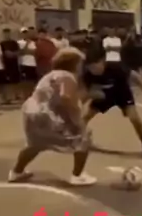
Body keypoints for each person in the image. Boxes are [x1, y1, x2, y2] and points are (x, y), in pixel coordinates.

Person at [8, 46, 94, 186]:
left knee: (34, 144)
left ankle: (16, 172)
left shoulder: (50, 75)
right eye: (80, 63)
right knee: (84, 137)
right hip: (48, 114)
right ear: (74, 63)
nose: (81, 67)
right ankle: (78, 176)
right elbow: (65, 97)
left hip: (31, 111)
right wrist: (77, 121)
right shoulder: (68, 76)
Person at [81, 47, 142, 159]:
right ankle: (77, 139)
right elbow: (85, 92)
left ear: (103, 61)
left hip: (122, 93)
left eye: (95, 66)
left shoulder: (115, 67)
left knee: (134, 118)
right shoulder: (87, 74)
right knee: (84, 117)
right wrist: (90, 95)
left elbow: (136, 77)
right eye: (90, 68)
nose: (93, 70)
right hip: (104, 96)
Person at [0, 28, 21, 100]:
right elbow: (1, 54)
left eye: (8, 33)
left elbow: (18, 52)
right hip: (6, 64)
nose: (7, 35)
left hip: (14, 63)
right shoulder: (1, 44)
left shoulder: (14, 43)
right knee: (7, 81)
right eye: (5, 34)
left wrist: (12, 54)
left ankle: (16, 95)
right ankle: (9, 96)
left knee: (16, 81)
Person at [18, 27, 38, 96]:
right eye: (23, 33)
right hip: (23, 64)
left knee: (32, 80)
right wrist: (27, 44)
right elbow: (21, 52)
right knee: (25, 81)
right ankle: (25, 95)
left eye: (26, 33)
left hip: (32, 64)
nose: (25, 34)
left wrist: (27, 51)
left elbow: (34, 52)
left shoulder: (33, 42)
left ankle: (31, 94)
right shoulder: (19, 42)